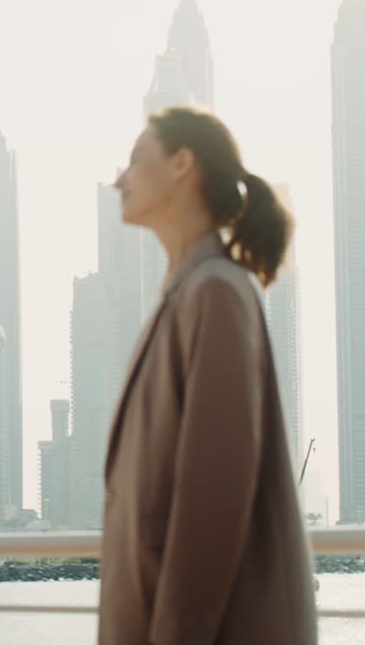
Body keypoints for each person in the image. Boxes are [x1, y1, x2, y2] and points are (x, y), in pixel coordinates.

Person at [99, 107, 317, 644]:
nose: (118, 179)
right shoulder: (187, 295)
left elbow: (213, 499)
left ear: (182, 164)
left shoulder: (214, 293)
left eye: (135, 161)